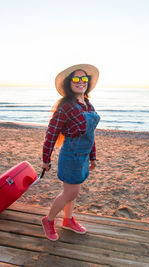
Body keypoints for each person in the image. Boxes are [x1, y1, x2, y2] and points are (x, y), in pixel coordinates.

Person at [41, 64, 100, 241]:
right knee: (70, 193)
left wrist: (93, 156)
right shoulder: (66, 106)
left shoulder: (88, 105)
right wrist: (46, 158)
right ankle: (48, 220)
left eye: (84, 79)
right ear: (69, 83)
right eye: (76, 78)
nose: (81, 82)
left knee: (75, 190)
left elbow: (90, 133)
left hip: (83, 156)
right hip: (71, 154)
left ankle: (67, 220)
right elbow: (51, 133)